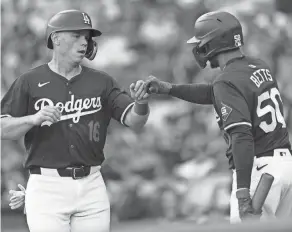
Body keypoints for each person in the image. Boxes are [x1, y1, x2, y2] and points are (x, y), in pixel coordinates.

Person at [1, 9, 150, 232]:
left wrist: (141, 103)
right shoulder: (30, 81)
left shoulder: (102, 81)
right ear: (56, 38)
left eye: (87, 37)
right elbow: (3, 128)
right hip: (47, 185)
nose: (84, 42)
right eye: (77, 35)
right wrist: (33, 118)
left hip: (92, 184)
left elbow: (134, 121)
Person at [144, 11, 292, 223]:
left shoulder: (226, 80)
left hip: (259, 173)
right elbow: (214, 92)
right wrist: (170, 89)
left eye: (203, 44)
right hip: (286, 167)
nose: (200, 49)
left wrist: (242, 193)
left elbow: (241, 135)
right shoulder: (259, 65)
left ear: (215, 43)